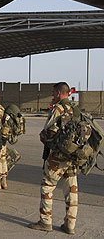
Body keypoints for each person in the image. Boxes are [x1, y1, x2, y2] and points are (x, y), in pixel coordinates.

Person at [28, 82, 79, 235]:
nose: (52, 95)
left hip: (58, 157)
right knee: (72, 190)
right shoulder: (75, 108)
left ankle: (45, 221)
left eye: (53, 92)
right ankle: (70, 225)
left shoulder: (58, 109)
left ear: (58, 92)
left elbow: (47, 132)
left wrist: (44, 138)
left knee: (47, 186)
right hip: (73, 156)